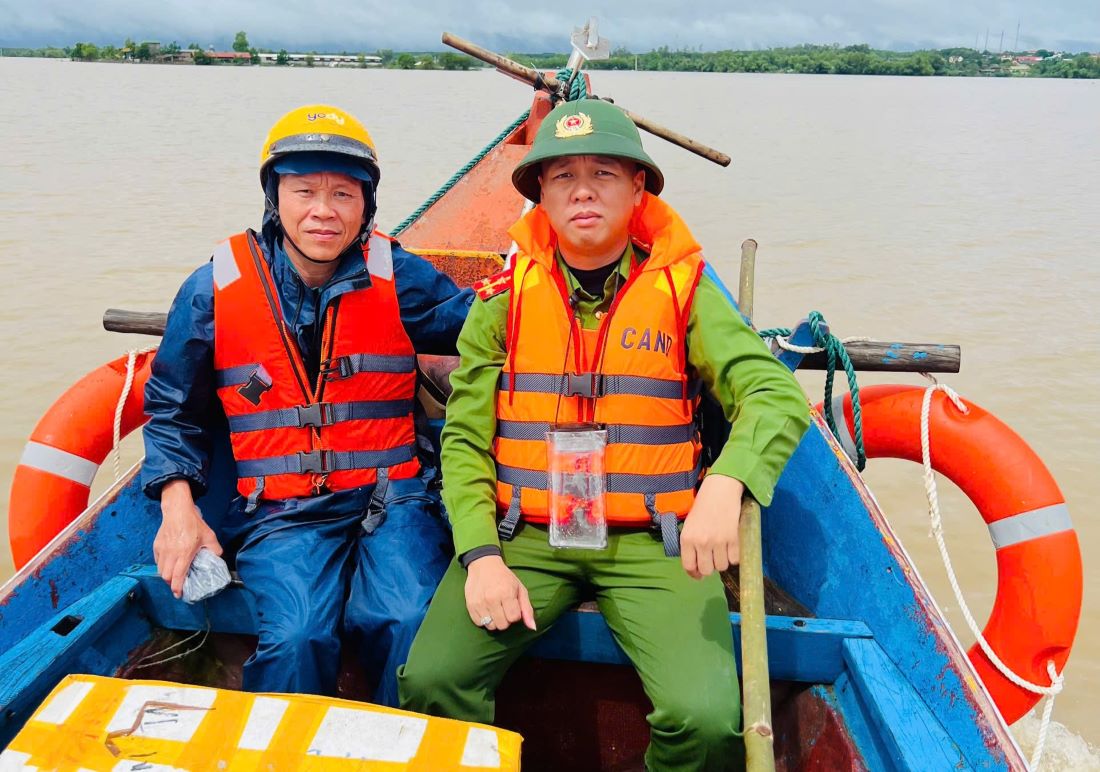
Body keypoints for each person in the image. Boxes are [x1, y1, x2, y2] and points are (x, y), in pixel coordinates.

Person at [397, 98, 810, 770]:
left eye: (604, 173)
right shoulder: (502, 299)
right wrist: (479, 557)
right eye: (561, 176)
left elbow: (773, 394)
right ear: (539, 196)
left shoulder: (685, 292)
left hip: (654, 541)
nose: (582, 190)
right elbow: (465, 441)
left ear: (637, 188)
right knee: (431, 679)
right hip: (523, 535)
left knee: (705, 723)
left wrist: (725, 486)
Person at [142, 104, 472, 707]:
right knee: (296, 637)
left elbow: (477, 329)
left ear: (366, 206)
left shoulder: (400, 275)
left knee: (409, 622)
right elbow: (172, 407)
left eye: (344, 193)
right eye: (305, 191)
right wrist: (177, 505)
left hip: (392, 497)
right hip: (282, 509)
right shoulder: (215, 286)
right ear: (276, 197)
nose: (324, 210)